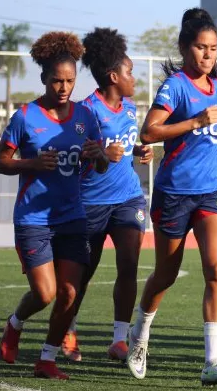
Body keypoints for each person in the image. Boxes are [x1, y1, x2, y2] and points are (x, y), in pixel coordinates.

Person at [126, 8, 217, 386]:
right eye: (200, 47)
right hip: (175, 192)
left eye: (214, 48)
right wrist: (195, 121)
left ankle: (213, 361)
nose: (208, 55)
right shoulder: (176, 86)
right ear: (184, 48)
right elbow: (149, 132)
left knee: (216, 268)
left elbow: (213, 134)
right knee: (166, 273)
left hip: (214, 191)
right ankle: (139, 335)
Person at [0, 32, 108, 379]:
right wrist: (30, 164)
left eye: (70, 81)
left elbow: (100, 164)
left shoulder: (86, 117)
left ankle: (46, 360)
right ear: (44, 79)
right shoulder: (25, 117)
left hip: (72, 217)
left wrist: (99, 156)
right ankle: (15, 323)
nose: (64, 87)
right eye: (57, 80)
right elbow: (0, 161)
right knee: (44, 294)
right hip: (34, 219)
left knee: (70, 293)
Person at [56, 27, 153, 363]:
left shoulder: (128, 107)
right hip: (90, 204)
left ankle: (119, 339)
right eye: (130, 73)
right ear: (113, 75)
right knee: (82, 274)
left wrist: (136, 149)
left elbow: (121, 147)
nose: (134, 79)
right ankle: (66, 330)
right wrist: (97, 154)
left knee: (129, 265)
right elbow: (74, 152)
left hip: (128, 197)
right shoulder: (86, 111)